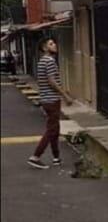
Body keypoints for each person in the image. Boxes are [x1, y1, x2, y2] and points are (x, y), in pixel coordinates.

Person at [28, 38, 72, 169]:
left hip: (46, 99)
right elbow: (51, 81)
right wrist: (65, 95)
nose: (55, 45)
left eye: (54, 43)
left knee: (55, 128)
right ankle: (36, 156)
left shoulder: (41, 61)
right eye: (51, 44)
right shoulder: (50, 61)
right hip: (52, 99)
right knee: (51, 129)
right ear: (45, 48)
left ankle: (56, 157)